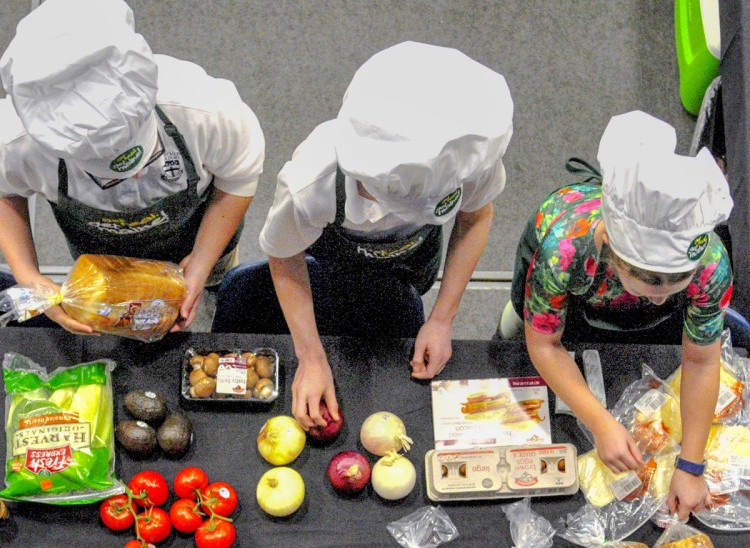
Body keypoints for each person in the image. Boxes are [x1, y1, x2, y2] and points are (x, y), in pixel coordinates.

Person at [227, 41, 513, 428]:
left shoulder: (468, 155)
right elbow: (285, 256)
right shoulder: (313, 184)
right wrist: (311, 358)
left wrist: (443, 319)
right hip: (329, 260)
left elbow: (476, 219)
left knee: (403, 300)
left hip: (411, 261)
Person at [501, 110, 733, 520]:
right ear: (607, 244)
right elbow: (545, 344)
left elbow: (700, 359)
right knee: (522, 327)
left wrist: (691, 465)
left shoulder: (710, 265)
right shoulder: (563, 250)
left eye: (673, 292)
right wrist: (600, 422)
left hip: (625, 309)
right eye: (648, 289)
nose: (662, 303)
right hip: (571, 306)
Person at [0, 0, 264, 333]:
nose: (135, 177)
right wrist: (30, 277)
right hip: (99, 253)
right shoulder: (15, 140)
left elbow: (238, 179)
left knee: (217, 286)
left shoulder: (206, 110)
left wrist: (201, 262)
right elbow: (5, 193)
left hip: (198, 234)